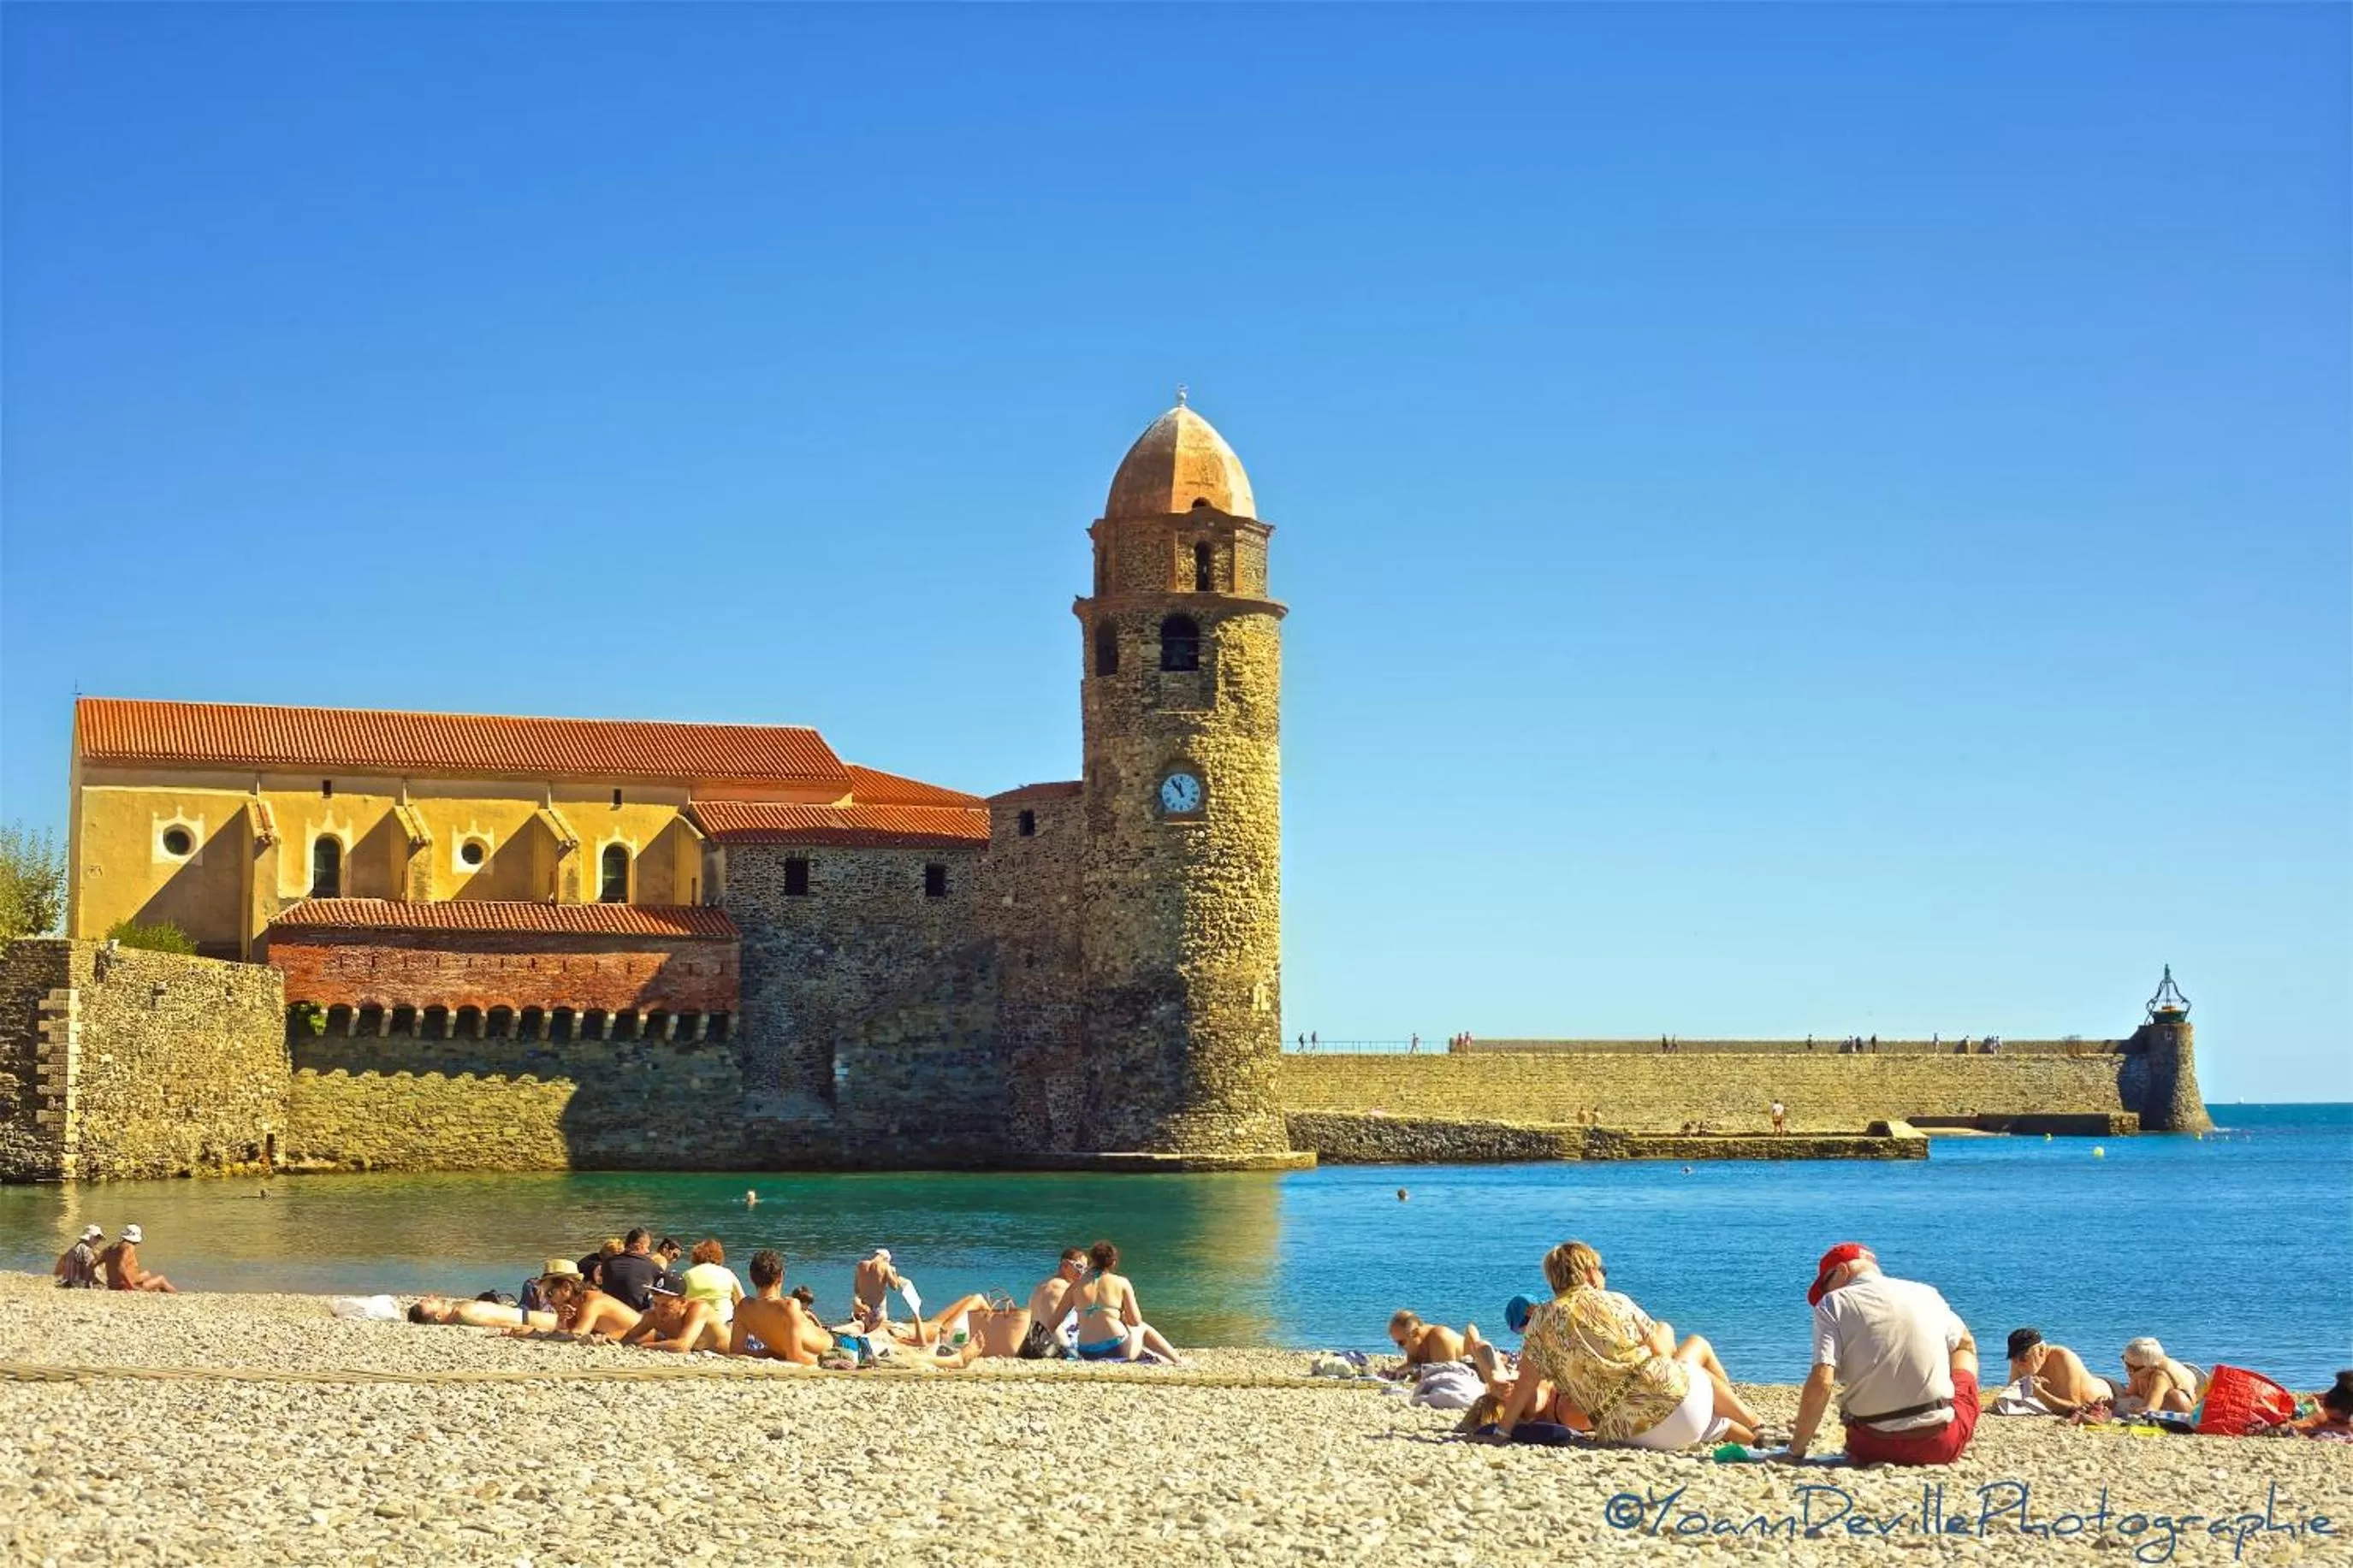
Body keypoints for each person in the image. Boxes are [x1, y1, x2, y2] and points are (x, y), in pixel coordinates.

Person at [1492, 1241, 1757, 1450]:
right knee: (1692, 1356)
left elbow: (1526, 1384)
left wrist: (1502, 1432)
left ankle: (1751, 1434)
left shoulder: (1540, 1321)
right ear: (1590, 1273)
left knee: (1681, 1396)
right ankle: (1757, 1426)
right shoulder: (1617, 1301)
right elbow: (1665, 1354)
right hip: (1679, 1408)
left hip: (1631, 1434)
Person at [1787, 1243, 1978, 1466]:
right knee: (1964, 1351)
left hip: (1870, 1446)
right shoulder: (1926, 1293)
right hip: (1939, 1445)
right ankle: (1942, 1409)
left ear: (1841, 1271)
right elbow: (1965, 1341)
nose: (1826, 1293)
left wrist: (1795, 1452)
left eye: (1826, 1286)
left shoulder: (1833, 1303)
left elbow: (1823, 1380)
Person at [1066, 1240, 1182, 1364]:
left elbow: (1054, 1321)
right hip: (1118, 1350)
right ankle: (1178, 1361)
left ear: (1092, 1260)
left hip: (1086, 1352)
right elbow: (1135, 1321)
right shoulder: (1121, 1282)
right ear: (1113, 1263)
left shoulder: (1075, 1286)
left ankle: (1165, 1359)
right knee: (1142, 1327)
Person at [730, 1250, 834, 1364]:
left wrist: (772, 1353)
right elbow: (795, 1356)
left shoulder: (743, 1308)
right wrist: (826, 1362)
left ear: (751, 1277)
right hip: (835, 1349)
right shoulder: (788, 1306)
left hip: (822, 1349)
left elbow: (736, 1351)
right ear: (781, 1276)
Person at [2005, 1328, 2115, 1412]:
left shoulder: (2062, 1357)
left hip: (2110, 1390)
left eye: (2023, 1358)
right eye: (2014, 1359)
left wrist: (2040, 1394)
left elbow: (2074, 1406)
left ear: (2041, 1350)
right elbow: (2010, 1398)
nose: (2018, 1364)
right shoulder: (2019, 1362)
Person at [1023, 1247, 1087, 1358]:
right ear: (1065, 1265)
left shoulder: (1041, 1285)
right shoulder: (1063, 1287)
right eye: (1079, 1266)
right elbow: (1056, 1328)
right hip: (1056, 1348)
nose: (1082, 1272)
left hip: (1034, 1344)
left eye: (1086, 1268)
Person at [2115, 1338, 2201, 1415]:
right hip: (2186, 1376)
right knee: (2138, 1380)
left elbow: (2149, 1410)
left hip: (2187, 1404)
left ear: (2152, 1367)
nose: (2127, 1370)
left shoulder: (2160, 1376)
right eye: (2125, 1363)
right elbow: (2129, 1394)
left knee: (2173, 1397)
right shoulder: (2141, 1369)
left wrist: (2124, 1411)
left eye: (2132, 1367)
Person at [678, 1239, 744, 1328]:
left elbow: (678, 1303)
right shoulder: (727, 1273)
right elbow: (741, 1302)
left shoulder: (687, 1275)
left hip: (695, 1326)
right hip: (724, 1323)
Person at [853, 1248, 923, 1328]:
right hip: (878, 1308)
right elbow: (894, 1287)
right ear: (886, 1259)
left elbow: (856, 1290)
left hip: (862, 1307)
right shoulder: (885, 1267)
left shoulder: (860, 1265)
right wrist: (894, 1273)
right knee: (882, 1326)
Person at [597, 1229, 664, 1311]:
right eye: (647, 1247)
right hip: (635, 1316)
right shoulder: (652, 1266)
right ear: (638, 1246)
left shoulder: (608, 1263)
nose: (648, 1251)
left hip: (609, 1312)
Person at [98, 1225, 177, 1293]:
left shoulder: (110, 1248)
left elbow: (93, 1263)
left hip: (113, 1286)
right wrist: (131, 1286)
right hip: (125, 1287)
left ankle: (156, 1293)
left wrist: (87, 1283)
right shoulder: (129, 1247)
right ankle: (176, 1295)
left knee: (147, 1274)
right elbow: (121, 1267)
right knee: (161, 1279)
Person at [408, 1295, 556, 1329]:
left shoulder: (458, 1309)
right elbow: (499, 1323)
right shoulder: (464, 1314)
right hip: (532, 1319)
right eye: (429, 1302)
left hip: (529, 1315)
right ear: (438, 1316)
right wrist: (529, 1330)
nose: (431, 1296)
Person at [1388, 1311, 1467, 1370]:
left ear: (1415, 1334)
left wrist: (1413, 1371)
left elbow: (1443, 1375)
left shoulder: (1439, 1338)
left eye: (1401, 1342)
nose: (1400, 1347)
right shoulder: (1415, 1344)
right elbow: (1415, 1365)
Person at [2292, 1371, 2353, 1436]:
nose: (2329, 1422)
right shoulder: (2337, 1394)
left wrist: (2322, 1428)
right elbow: (2315, 1396)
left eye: (2336, 1420)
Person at [54, 1224, 104, 1289]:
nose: (98, 1240)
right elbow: (90, 1270)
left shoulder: (73, 1249)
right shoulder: (87, 1250)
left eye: (99, 1238)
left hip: (69, 1282)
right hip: (79, 1283)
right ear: (88, 1237)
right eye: (96, 1237)